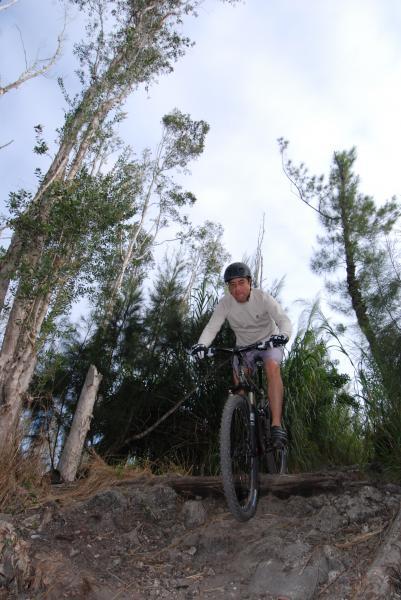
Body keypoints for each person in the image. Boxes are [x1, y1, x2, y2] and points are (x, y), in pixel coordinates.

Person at [190, 262, 292, 445]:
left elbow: (283, 319)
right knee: (239, 387)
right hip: (245, 348)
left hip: (269, 342)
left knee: (272, 367)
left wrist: (283, 336)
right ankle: (250, 424)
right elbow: (212, 327)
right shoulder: (225, 304)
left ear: (250, 282)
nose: (237, 289)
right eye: (232, 285)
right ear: (228, 288)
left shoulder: (263, 298)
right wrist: (201, 345)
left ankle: (276, 425)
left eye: (241, 282)